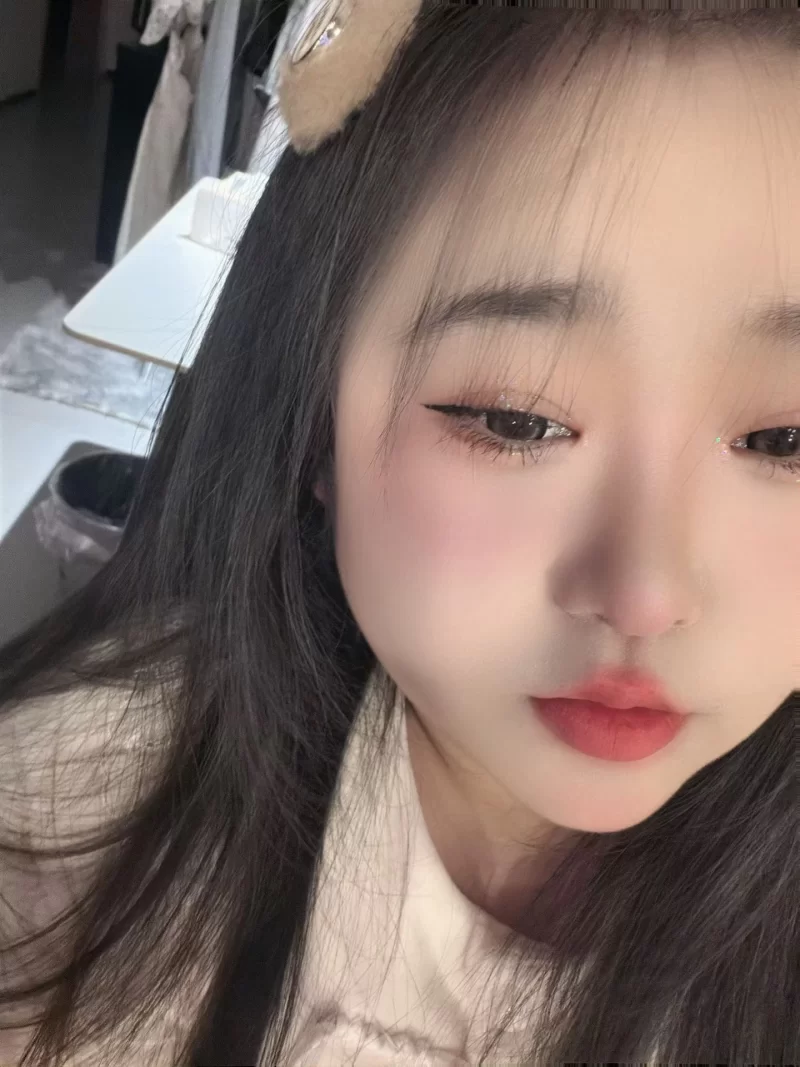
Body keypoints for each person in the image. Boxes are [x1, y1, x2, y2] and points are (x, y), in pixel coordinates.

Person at [1, 5, 798, 1066]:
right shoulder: (52, 851)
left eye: (785, 438)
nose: (644, 594)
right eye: (515, 418)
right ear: (313, 412)